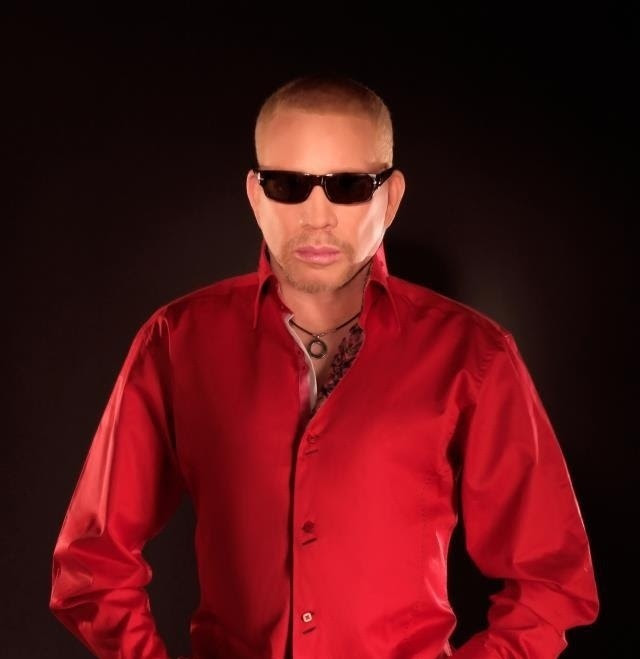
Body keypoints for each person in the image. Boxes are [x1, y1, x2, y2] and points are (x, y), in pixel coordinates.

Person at [49, 74, 599, 658]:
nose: (317, 217)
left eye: (348, 187)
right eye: (288, 185)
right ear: (256, 194)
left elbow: (551, 581)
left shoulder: (474, 353)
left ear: (391, 197)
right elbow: (92, 563)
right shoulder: (176, 342)